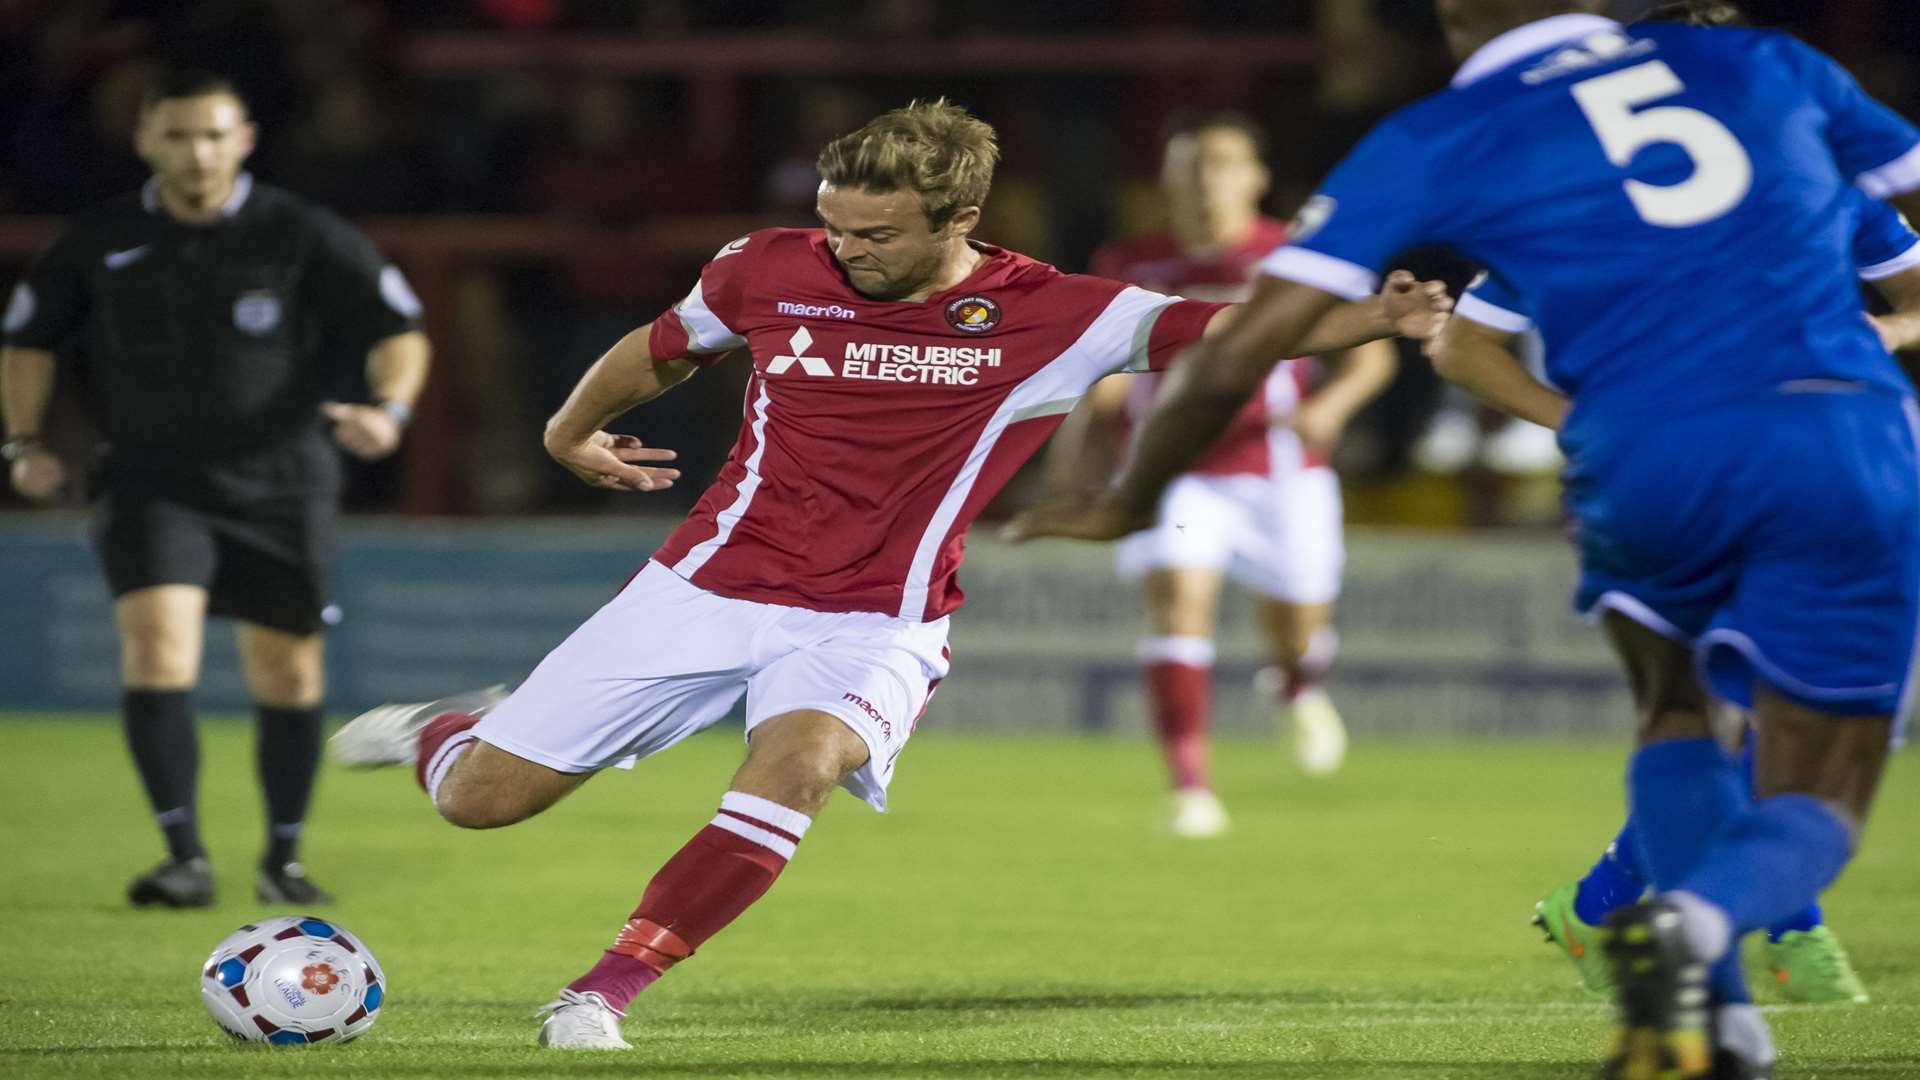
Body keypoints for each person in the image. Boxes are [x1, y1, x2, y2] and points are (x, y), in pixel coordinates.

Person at [326, 99, 1450, 1050]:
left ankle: (601, 990)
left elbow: (1238, 330)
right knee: (485, 805)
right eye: (834, 226)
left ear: (960, 220)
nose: (845, 250)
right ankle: (444, 736)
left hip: (878, 620)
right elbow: (664, 345)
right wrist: (571, 431)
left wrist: (1379, 318)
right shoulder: (768, 268)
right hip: (707, 584)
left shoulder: (1056, 314)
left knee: (801, 760)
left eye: (874, 234)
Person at [1006, 4, 1920, 1077]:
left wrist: (1128, 496)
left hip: (1639, 452)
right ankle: (1705, 924)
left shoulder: (1449, 132)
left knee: (1673, 707)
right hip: (1830, 430)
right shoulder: (1762, 63)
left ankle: (1708, 1017)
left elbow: (1242, 340)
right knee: (1822, 776)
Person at [0, 70, 431, 908]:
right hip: (152, 479)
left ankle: (283, 859)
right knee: (159, 647)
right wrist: (23, 441)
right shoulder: (100, 238)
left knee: (287, 673)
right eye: (176, 135)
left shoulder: (300, 232)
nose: (195, 152)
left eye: (210, 134)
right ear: (145, 141)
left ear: (244, 139)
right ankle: (183, 856)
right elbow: (28, 340)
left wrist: (390, 412)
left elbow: (397, 330)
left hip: (281, 481)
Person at [1502, 188, 1920, 1007]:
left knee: (1790, 719)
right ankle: (1776, 932)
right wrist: (1586, 424)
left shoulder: (1829, 185)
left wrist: (1888, 330)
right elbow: (1465, 344)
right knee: (1725, 709)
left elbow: (1913, 295)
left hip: (1835, 460)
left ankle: (1612, 905)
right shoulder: (1594, 185)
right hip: (1673, 477)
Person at [1047, 112, 1397, 837]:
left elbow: (1372, 355)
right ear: (1167, 178)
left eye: (1221, 161)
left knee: (1297, 629)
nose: (1205, 177)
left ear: (1256, 176)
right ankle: (1191, 788)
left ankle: (1298, 686)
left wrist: (1329, 408)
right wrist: (1084, 434)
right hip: (1170, 471)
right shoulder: (1130, 261)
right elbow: (1102, 365)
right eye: (1189, 164)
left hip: (1281, 472)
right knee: (1176, 599)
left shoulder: (1297, 254)